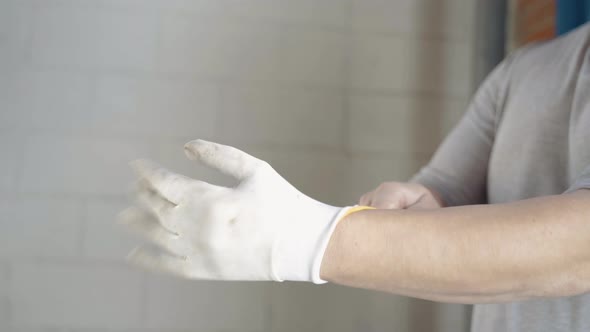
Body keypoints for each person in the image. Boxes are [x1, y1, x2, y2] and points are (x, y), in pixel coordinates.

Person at [119, 23, 590, 331]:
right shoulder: (522, 72)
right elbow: (442, 190)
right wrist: (415, 204)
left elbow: (579, 246)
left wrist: (304, 239)